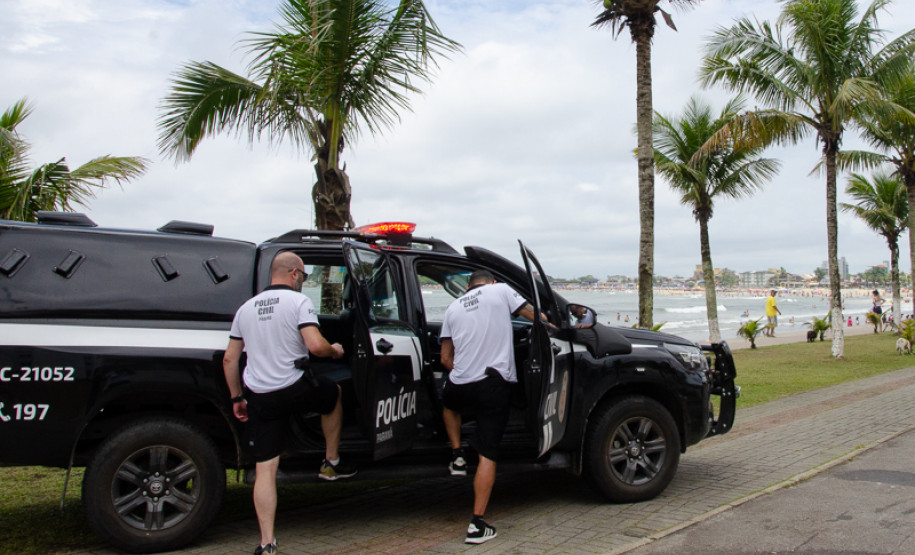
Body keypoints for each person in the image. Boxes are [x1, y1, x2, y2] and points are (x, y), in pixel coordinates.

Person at [223, 251, 356, 555]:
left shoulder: (245, 309)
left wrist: (237, 398)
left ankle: (266, 542)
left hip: (260, 395)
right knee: (332, 393)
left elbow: (231, 359)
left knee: (266, 468)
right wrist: (335, 350)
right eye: (304, 277)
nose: (303, 281)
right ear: (295, 274)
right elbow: (315, 346)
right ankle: (331, 462)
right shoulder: (299, 302)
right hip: (294, 388)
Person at [439, 270, 537, 545]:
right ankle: (477, 523)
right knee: (487, 452)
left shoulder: (453, 307)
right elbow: (535, 317)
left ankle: (457, 454)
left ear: (468, 286)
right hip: (492, 385)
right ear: (491, 282)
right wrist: (555, 325)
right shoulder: (501, 290)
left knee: (448, 402)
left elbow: (446, 359)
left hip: (460, 385)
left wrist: (463, 370)